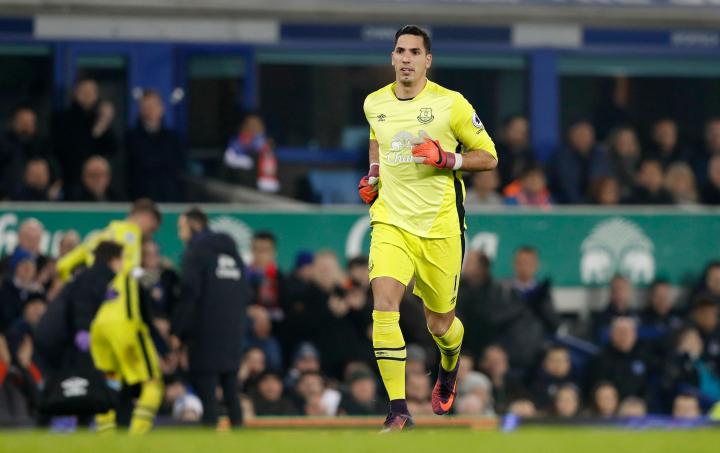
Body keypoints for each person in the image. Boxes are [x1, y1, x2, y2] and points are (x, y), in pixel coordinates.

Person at [357, 24, 498, 431]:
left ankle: (449, 364)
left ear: (428, 60)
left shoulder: (450, 104)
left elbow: (489, 156)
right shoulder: (374, 103)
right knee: (384, 305)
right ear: (392, 57)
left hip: (440, 229)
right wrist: (374, 175)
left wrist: (448, 159)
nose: (406, 59)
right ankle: (398, 409)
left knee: (439, 324)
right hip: (391, 222)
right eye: (400, 51)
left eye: (415, 52)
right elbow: (377, 138)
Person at [55, 198, 162, 435]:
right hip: (122, 324)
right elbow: (128, 271)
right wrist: (152, 277)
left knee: (110, 382)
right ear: (145, 217)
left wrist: (80, 290)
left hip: (98, 326)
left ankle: (106, 438)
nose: (149, 234)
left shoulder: (97, 238)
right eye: (151, 228)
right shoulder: (130, 233)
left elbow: (63, 266)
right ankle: (137, 438)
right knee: (152, 382)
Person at [171, 207, 250, 428]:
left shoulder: (196, 252)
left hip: (205, 333)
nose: (180, 234)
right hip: (233, 331)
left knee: (207, 392)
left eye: (181, 228)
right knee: (231, 389)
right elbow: (246, 293)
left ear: (194, 225)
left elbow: (189, 293)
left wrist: (178, 331)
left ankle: (210, 430)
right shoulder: (234, 255)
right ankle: (239, 433)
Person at [51, 77, 116, 193]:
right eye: (84, 91)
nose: (88, 95)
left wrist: (102, 124)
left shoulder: (100, 120)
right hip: (71, 181)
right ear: (76, 93)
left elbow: (112, 150)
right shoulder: (62, 119)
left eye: (91, 92)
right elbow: (58, 150)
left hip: (97, 184)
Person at [125, 90, 186, 202]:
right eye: (146, 107)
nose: (150, 110)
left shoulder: (173, 138)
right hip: (142, 199)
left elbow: (179, 169)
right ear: (140, 110)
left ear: (161, 108)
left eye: (154, 106)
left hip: (170, 198)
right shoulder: (131, 138)